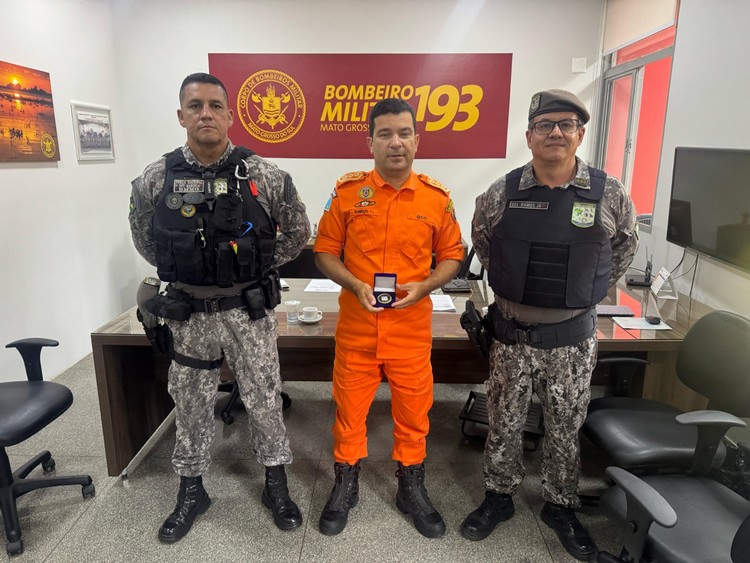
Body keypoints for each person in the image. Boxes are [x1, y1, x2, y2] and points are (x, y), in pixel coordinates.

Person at [129, 72, 311, 543]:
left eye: (214, 106)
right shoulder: (156, 178)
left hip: (247, 311)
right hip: (188, 314)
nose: (205, 114)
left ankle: (275, 482)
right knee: (190, 404)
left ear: (230, 115)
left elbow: (296, 234)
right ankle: (191, 490)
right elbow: (147, 242)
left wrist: (251, 267)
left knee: (264, 398)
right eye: (195, 106)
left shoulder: (264, 175)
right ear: (181, 115)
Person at [463, 89, 638, 560]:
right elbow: (484, 243)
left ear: (580, 134)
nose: (555, 132)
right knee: (503, 421)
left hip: (571, 341)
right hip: (511, 336)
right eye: (545, 125)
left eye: (566, 124)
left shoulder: (610, 192)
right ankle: (498, 495)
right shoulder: (501, 192)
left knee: (565, 425)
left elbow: (623, 247)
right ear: (529, 136)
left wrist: (581, 290)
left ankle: (560, 505)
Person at [313, 98, 465, 538]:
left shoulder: (436, 198)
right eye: (385, 134)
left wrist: (427, 285)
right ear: (371, 142)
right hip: (358, 329)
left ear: (417, 140)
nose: (395, 142)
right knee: (349, 413)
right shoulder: (348, 193)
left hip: (410, 331)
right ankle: (346, 483)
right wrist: (354, 283)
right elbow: (324, 252)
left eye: (403, 133)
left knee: (414, 416)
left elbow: (453, 255)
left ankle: (410, 487)